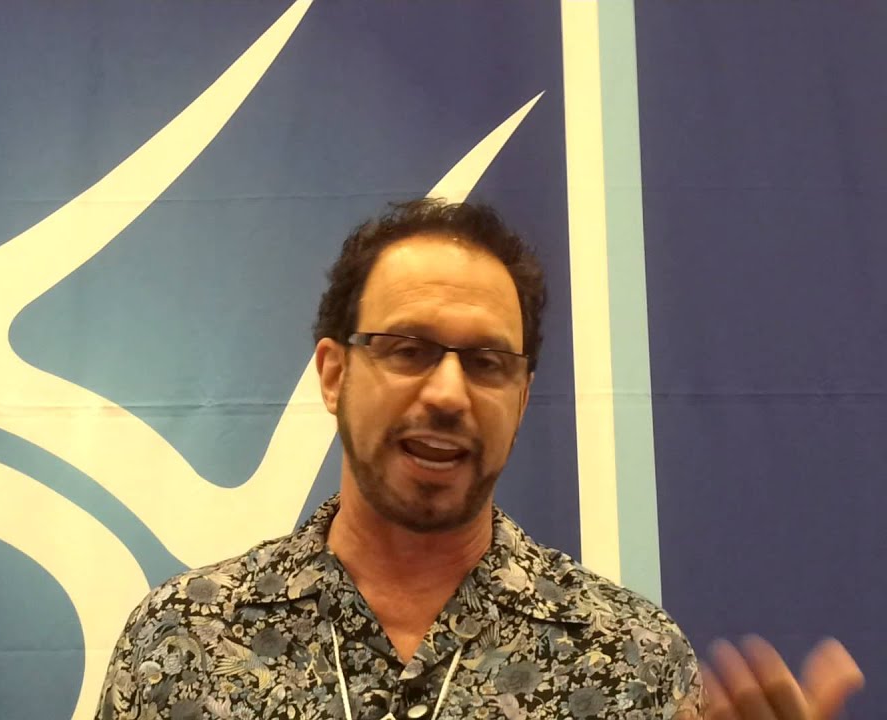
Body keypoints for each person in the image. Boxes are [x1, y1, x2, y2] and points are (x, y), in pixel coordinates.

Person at [93, 199, 863, 720]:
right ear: (333, 374)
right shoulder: (184, 638)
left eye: (488, 363)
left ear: (521, 398)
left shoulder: (632, 658)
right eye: (409, 349)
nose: (448, 394)